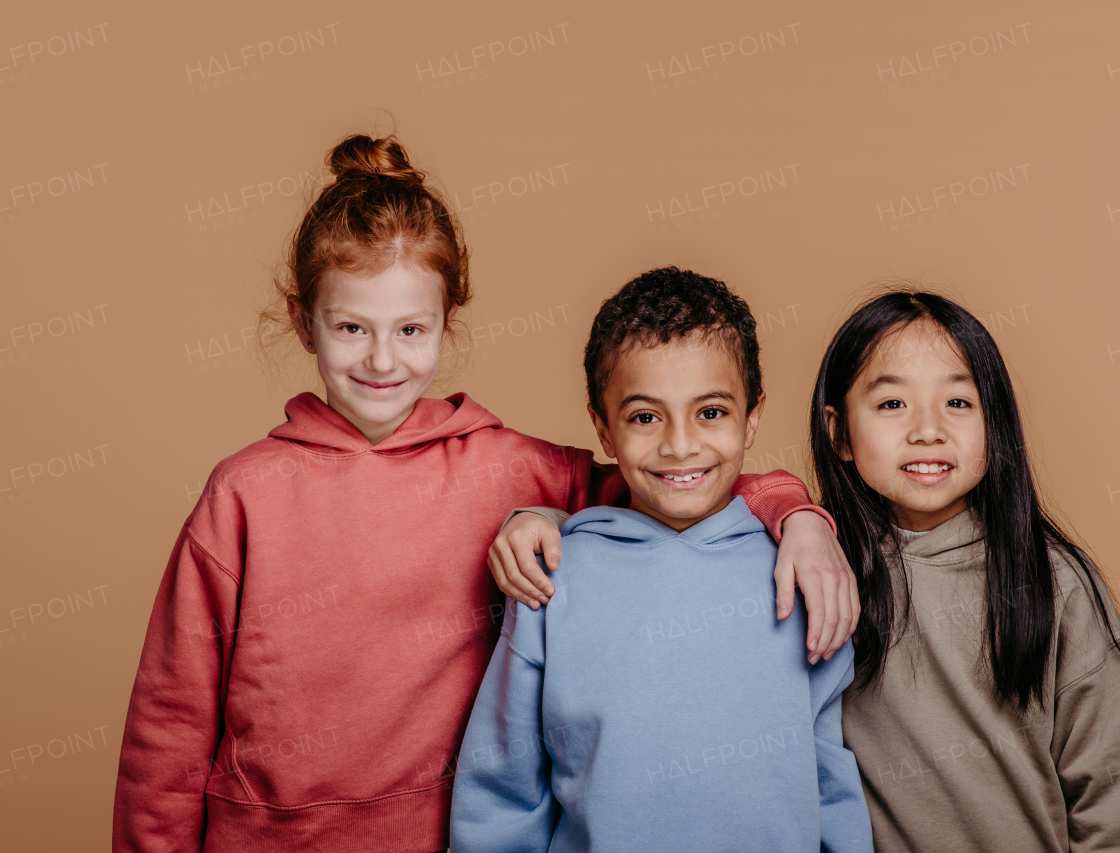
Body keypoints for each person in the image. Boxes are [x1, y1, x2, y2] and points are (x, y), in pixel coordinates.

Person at [111, 135, 854, 853]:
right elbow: (169, 722)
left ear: (446, 322)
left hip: (440, 833)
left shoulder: (509, 465)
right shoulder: (242, 493)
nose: (381, 358)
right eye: (350, 327)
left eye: (409, 328)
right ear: (306, 323)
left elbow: (677, 480)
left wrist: (799, 513)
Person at [450, 267, 874, 853]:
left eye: (711, 412)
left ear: (752, 417)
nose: (679, 445)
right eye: (645, 417)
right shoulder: (552, 578)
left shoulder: (803, 573)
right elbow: (504, 787)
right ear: (603, 427)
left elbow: (829, 776)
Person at [811, 289, 1120, 852]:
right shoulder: (823, 572)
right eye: (892, 404)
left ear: (995, 425)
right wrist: (797, 517)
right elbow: (717, 495)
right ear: (839, 433)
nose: (928, 429)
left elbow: (1112, 804)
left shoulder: (1056, 581)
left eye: (958, 402)